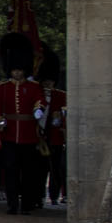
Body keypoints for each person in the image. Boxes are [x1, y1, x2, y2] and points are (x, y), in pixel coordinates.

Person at [0, 33, 46, 217]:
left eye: (20, 70)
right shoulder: (3, 88)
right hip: (10, 134)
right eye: (14, 70)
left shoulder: (34, 87)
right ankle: (12, 204)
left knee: (28, 172)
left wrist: (38, 109)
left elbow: (40, 101)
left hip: (29, 134)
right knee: (11, 171)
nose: (17, 73)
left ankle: (27, 203)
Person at [39, 42, 70, 211]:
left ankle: (55, 195)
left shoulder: (60, 96)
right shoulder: (37, 94)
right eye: (45, 82)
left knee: (56, 168)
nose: (48, 85)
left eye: (50, 82)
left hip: (55, 137)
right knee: (40, 168)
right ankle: (40, 195)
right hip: (39, 136)